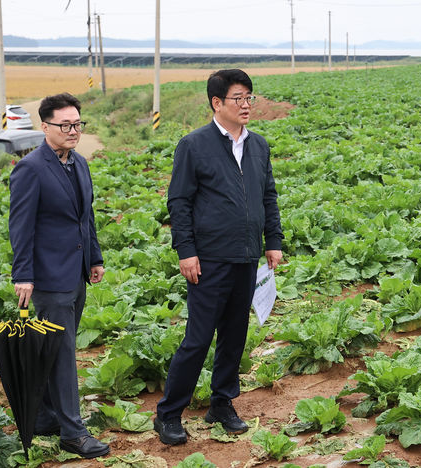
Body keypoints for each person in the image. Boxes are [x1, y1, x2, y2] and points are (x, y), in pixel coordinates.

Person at [154, 69, 284, 445]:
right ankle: (168, 414)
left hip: (246, 255)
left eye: (250, 98)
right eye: (238, 98)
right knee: (197, 338)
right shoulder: (194, 145)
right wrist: (187, 251)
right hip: (208, 259)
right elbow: (179, 202)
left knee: (234, 335)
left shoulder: (258, 145)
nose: (246, 105)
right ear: (216, 103)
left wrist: (272, 241)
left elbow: (268, 196)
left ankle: (222, 402)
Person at [8, 93, 109, 459]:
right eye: (65, 125)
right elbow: (20, 227)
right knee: (64, 353)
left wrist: (94, 257)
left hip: (77, 272)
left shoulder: (79, 163)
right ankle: (73, 433)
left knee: (55, 351)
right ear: (45, 126)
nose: (73, 130)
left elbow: (87, 217)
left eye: (77, 123)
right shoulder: (30, 168)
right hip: (48, 278)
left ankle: (47, 417)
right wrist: (23, 275)